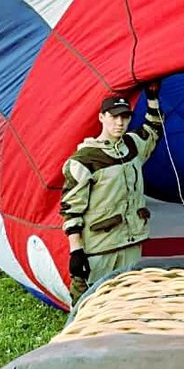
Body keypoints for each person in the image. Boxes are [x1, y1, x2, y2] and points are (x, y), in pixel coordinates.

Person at [61, 82, 164, 304]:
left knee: (128, 302)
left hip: (131, 242)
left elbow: (154, 130)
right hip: (100, 248)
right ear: (101, 117)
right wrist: (76, 251)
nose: (120, 122)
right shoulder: (84, 160)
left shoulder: (133, 145)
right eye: (114, 116)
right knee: (91, 303)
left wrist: (152, 98)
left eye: (125, 117)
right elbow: (71, 209)